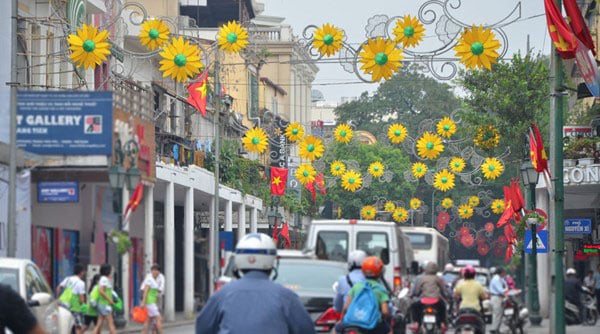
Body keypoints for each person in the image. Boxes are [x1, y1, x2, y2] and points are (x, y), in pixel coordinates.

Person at [195, 233, 315, 334]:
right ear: (272, 261)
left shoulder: (222, 295)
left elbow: (203, 328)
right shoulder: (286, 297)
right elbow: (306, 330)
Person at [338, 256, 390, 334]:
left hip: (352, 323)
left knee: (337, 329)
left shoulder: (357, 286)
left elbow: (345, 308)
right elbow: (385, 312)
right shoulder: (380, 289)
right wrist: (380, 319)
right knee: (389, 330)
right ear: (380, 272)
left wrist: (341, 320)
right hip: (372, 326)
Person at [410, 262, 447, 332]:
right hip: (436, 301)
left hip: (424, 301)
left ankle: (416, 323)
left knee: (414, 306)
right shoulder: (438, 278)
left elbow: (417, 291)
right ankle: (442, 324)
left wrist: (414, 295)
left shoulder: (422, 279)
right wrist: (445, 296)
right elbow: (443, 290)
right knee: (443, 307)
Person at [56, 263, 87, 334]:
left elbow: (58, 288)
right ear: (81, 272)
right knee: (79, 327)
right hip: (74, 307)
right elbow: (81, 297)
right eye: (83, 271)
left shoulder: (67, 279)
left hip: (63, 304)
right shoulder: (81, 283)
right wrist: (83, 305)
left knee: (67, 325)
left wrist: (57, 299)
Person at [93, 263, 117, 334]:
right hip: (105, 304)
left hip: (102, 304)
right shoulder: (104, 279)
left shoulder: (103, 279)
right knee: (111, 324)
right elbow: (101, 291)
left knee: (99, 324)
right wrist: (110, 300)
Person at [141, 264, 163, 334]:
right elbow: (146, 291)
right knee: (158, 319)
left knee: (147, 321)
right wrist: (143, 302)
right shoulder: (149, 279)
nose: (157, 273)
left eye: (158, 271)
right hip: (150, 303)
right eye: (155, 270)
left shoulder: (154, 280)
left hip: (151, 303)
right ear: (153, 271)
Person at [489, 267, 508, 334]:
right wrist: (506, 292)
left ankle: (496, 328)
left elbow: (505, 286)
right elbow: (500, 290)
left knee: (499, 313)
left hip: (499, 297)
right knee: (497, 313)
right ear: (501, 272)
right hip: (496, 297)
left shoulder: (500, 278)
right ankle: (494, 329)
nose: (504, 273)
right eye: (504, 272)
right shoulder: (496, 279)